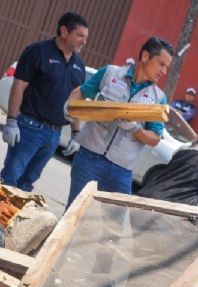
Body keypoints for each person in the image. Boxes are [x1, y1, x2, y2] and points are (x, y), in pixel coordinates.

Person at [65, 37, 174, 207]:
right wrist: (72, 118)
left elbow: (154, 139)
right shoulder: (109, 73)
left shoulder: (158, 98)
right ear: (145, 56)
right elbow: (80, 93)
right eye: (161, 64)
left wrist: (134, 129)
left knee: (114, 227)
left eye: (166, 66)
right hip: (88, 159)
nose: (164, 71)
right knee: (73, 215)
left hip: (121, 171)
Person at [0, 12, 88, 193]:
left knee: (28, 182)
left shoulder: (79, 66)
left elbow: (75, 102)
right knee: (11, 177)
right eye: (80, 35)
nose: (84, 41)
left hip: (54, 135)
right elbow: (18, 87)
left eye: (86, 37)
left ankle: (12, 217)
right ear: (64, 31)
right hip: (29, 128)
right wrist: (11, 121)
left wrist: (76, 134)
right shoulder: (37, 51)